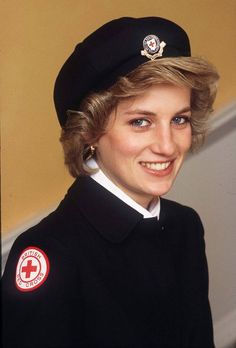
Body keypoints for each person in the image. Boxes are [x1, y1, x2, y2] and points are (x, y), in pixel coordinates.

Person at [2, 17, 219, 348]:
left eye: (179, 119)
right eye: (140, 121)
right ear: (89, 131)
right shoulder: (50, 256)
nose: (167, 145)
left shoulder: (185, 225)